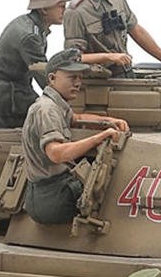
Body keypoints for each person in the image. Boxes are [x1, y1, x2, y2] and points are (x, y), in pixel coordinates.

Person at [21, 48, 129, 225]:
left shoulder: (55, 105)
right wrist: (98, 138)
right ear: (52, 78)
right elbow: (56, 153)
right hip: (54, 197)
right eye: (72, 77)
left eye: (80, 77)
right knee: (115, 192)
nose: (78, 83)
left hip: (52, 192)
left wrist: (107, 121)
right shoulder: (46, 110)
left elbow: (75, 118)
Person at [0, 0, 72, 129]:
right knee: (51, 118)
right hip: (6, 103)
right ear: (44, 9)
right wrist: (68, 102)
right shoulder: (30, 36)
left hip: (9, 95)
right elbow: (44, 77)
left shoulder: (32, 26)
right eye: (61, 6)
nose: (64, 10)